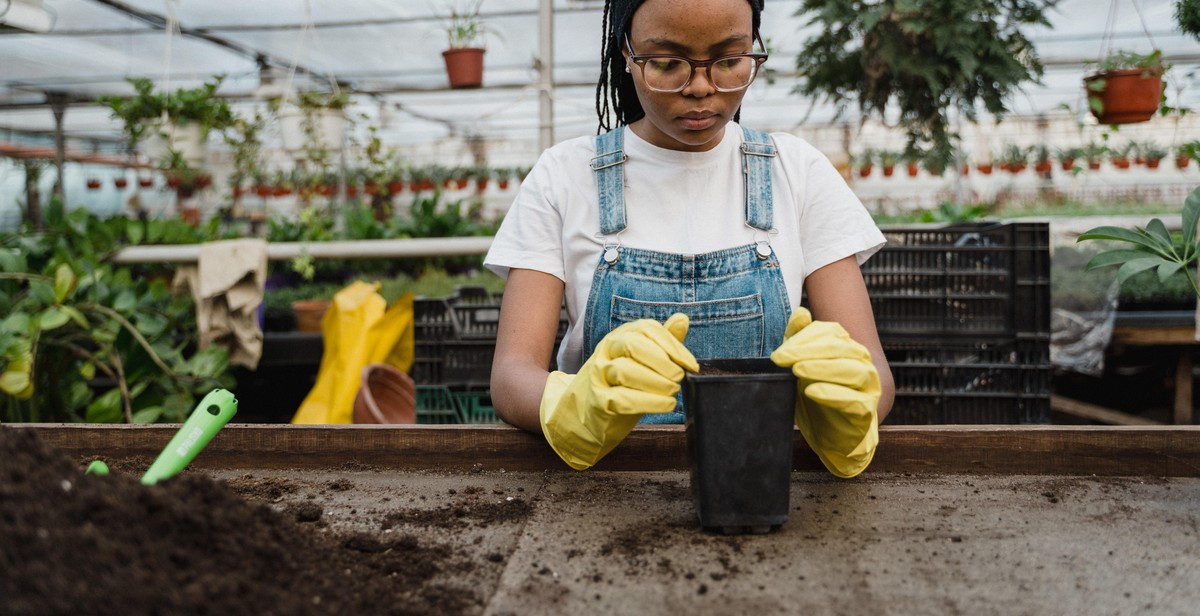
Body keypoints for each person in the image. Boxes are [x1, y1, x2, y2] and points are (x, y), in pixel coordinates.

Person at [484, 0, 895, 477]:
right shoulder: (564, 175)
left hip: (760, 484)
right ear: (626, 53)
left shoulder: (797, 171)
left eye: (728, 61)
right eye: (666, 63)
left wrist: (849, 407)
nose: (700, 87)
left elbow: (875, 376)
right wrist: (571, 405)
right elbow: (512, 375)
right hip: (607, 495)